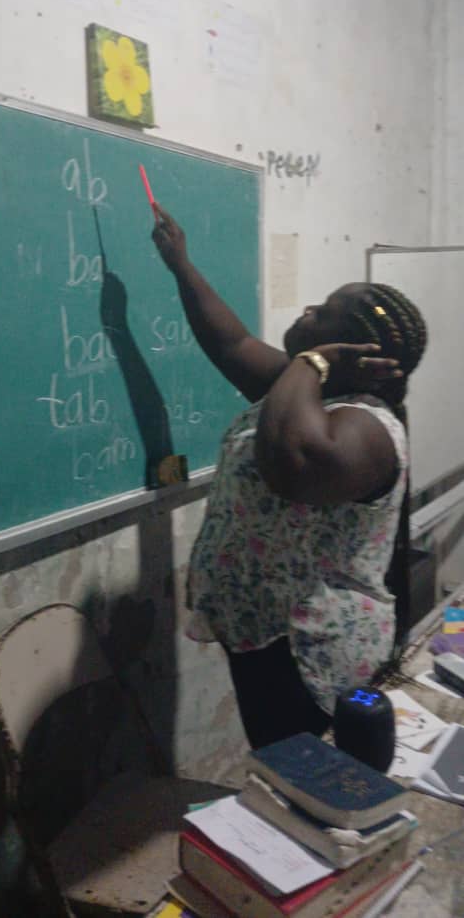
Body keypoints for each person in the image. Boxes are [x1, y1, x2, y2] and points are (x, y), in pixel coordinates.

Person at [151, 204, 427, 749]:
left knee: (309, 775)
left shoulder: (368, 427)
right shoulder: (303, 392)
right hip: (263, 630)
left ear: (350, 347)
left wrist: (311, 363)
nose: (306, 311)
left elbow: (293, 468)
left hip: (312, 651)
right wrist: (181, 264)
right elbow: (231, 344)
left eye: (321, 313)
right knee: (282, 763)